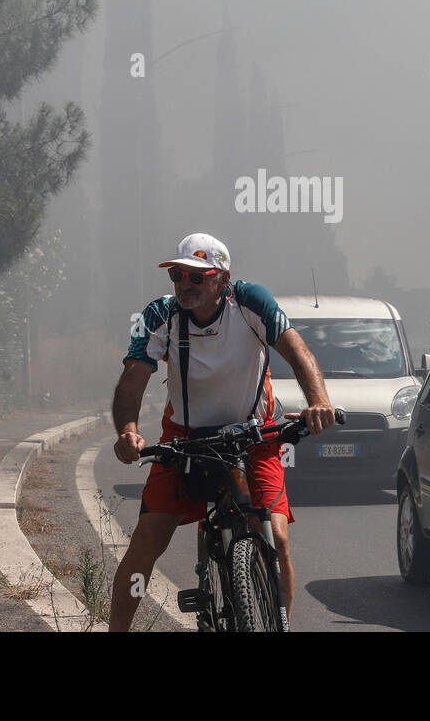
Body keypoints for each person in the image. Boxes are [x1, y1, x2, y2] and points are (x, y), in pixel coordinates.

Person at [107, 232, 335, 631]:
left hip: (254, 436)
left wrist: (319, 400)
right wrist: (127, 430)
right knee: (149, 538)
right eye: (178, 276)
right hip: (185, 437)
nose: (184, 286)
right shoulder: (159, 314)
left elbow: (297, 350)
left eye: (197, 277)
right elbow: (133, 377)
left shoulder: (251, 301)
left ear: (222, 278)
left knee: (277, 542)